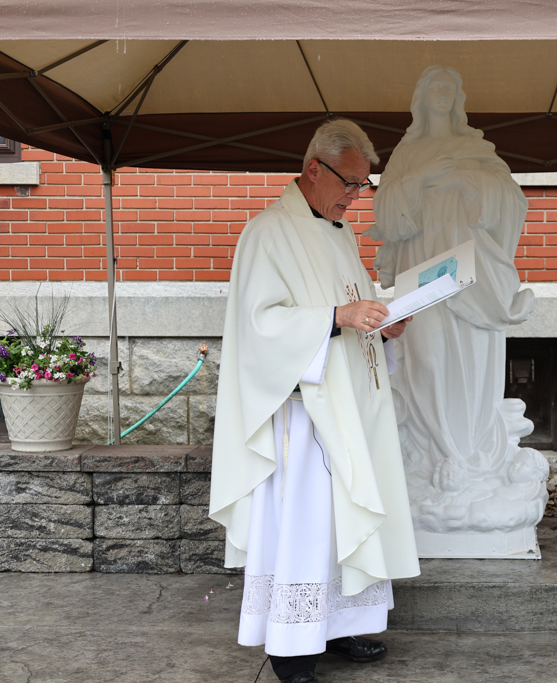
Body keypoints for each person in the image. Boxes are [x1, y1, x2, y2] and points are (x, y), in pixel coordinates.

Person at [208, 119, 420, 683]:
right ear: (313, 170)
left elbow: (353, 306)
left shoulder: (339, 231)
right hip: (303, 413)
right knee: (307, 521)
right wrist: (337, 318)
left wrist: (381, 320)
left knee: (342, 516)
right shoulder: (267, 232)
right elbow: (258, 326)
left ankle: (340, 622)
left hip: (351, 404)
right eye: (351, 183)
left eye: (362, 185)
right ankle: (292, 645)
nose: (357, 195)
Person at [366, 66, 547, 546]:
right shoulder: (407, 154)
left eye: (449, 87)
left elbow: (511, 203)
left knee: (467, 359)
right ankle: (430, 454)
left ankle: (465, 454)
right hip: (421, 271)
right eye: (433, 88)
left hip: (468, 274)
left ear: (458, 97)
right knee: (423, 359)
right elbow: (385, 214)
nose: (442, 95)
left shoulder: (478, 152)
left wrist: (472, 184)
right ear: (421, 100)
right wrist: (421, 178)